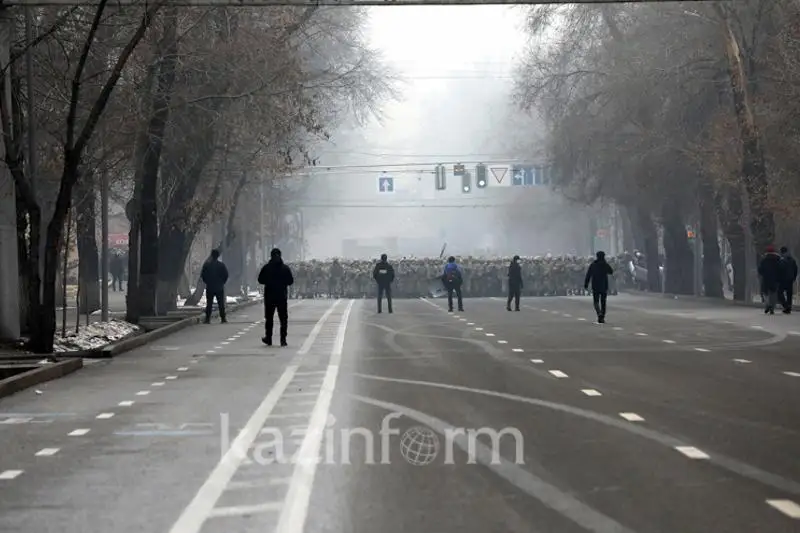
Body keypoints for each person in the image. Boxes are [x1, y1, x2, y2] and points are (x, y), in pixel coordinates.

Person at [258, 248, 294, 346]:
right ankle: (283, 339)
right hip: (281, 296)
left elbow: (260, 280)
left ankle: (268, 338)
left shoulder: (266, 268)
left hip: (269, 296)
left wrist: (269, 282)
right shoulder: (285, 268)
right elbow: (290, 281)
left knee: (269, 318)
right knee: (283, 319)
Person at [200, 249, 229, 324]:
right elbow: (226, 275)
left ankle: (207, 319)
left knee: (209, 303)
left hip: (210, 287)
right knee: (221, 304)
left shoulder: (207, 265)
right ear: (218, 256)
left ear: (212, 256)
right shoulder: (221, 265)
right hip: (219, 287)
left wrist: (207, 282)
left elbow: (203, 275)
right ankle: (223, 318)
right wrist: (222, 282)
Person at [584, 251, 614, 323]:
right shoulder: (605, 264)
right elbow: (611, 271)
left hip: (595, 285)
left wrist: (586, 284)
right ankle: (602, 316)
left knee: (596, 301)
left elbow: (588, 275)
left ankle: (599, 313)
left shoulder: (593, 264)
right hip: (603, 285)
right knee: (603, 302)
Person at [758, 245, 782, 315]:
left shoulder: (764, 259)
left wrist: (762, 274)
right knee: (773, 293)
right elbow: (780, 269)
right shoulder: (778, 259)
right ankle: (772, 307)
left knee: (765, 293)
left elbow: (760, 269)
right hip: (775, 279)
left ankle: (767, 304)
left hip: (766, 278)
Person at [778, 246, 798, 314]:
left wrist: (779, 278)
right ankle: (789, 307)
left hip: (783, 279)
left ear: (781, 252)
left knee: (779, 293)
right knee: (789, 294)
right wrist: (794, 277)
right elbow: (795, 269)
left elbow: (780, 270)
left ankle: (786, 306)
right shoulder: (792, 259)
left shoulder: (782, 260)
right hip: (790, 279)